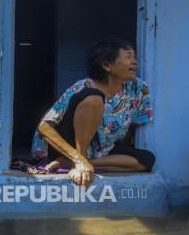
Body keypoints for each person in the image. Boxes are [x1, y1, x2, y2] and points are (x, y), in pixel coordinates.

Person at [31, 38, 155, 186]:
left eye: (134, 57)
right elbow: (44, 127)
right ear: (107, 65)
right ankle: (78, 162)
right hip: (65, 148)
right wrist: (78, 158)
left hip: (100, 151)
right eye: (128, 57)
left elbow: (131, 129)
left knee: (146, 160)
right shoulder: (84, 86)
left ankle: (77, 163)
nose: (134, 61)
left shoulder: (137, 88)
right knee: (94, 98)